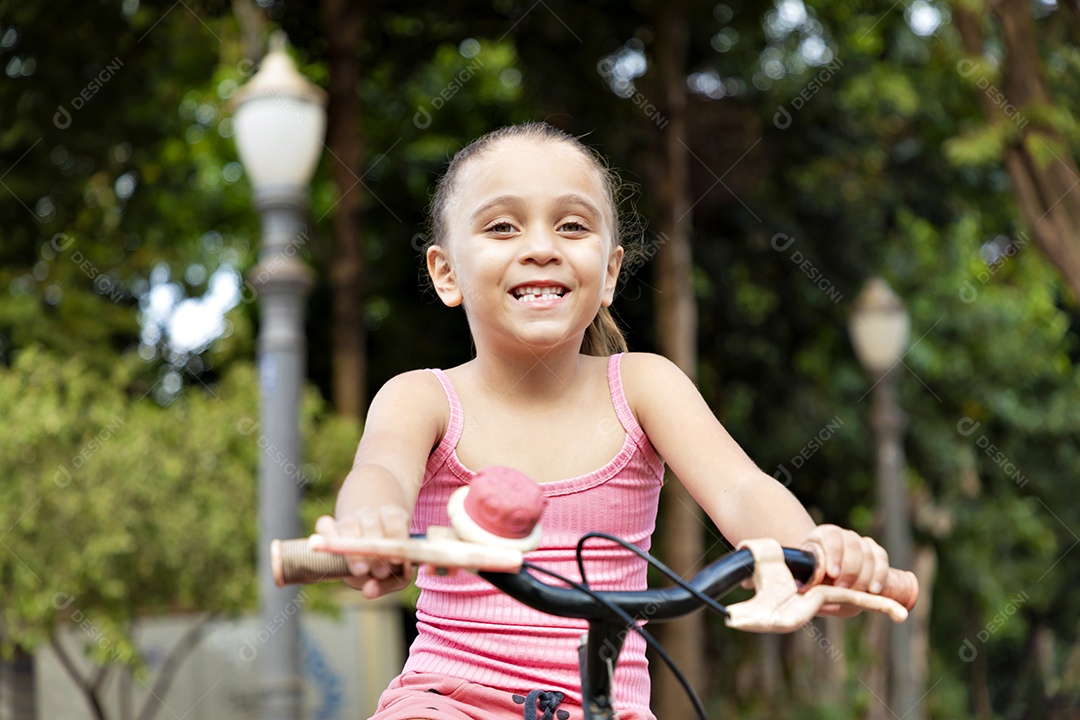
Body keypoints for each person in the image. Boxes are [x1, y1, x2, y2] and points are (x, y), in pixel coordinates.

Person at [315, 121, 892, 720]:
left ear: (610, 272)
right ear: (446, 273)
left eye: (572, 225)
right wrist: (370, 523)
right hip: (447, 701)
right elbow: (382, 470)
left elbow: (742, 489)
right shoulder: (421, 398)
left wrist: (813, 554)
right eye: (502, 227)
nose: (542, 247)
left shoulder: (644, 386)